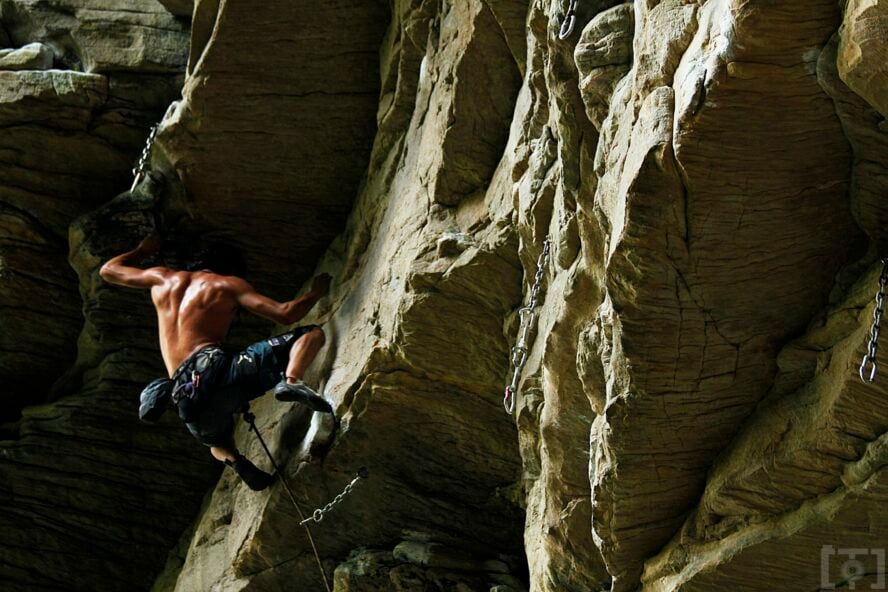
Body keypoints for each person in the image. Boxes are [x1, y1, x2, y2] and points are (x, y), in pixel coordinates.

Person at [99, 233, 334, 491]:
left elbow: (108, 271)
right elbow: (286, 314)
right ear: (232, 268)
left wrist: (142, 250)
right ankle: (291, 381)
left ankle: (236, 461)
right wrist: (315, 293)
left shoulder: (161, 278)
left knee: (215, 443)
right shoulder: (228, 285)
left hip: (185, 396)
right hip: (219, 369)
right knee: (311, 334)